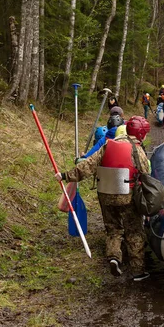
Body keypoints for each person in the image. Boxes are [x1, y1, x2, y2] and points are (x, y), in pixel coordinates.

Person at [55, 116, 152, 282]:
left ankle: (114, 257)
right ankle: (138, 272)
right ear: (141, 134)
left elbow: (88, 165)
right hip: (126, 195)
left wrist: (65, 175)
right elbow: (145, 174)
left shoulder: (108, 145)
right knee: (134, 231)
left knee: (113, 228)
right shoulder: (137, 150)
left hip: (105, 194)